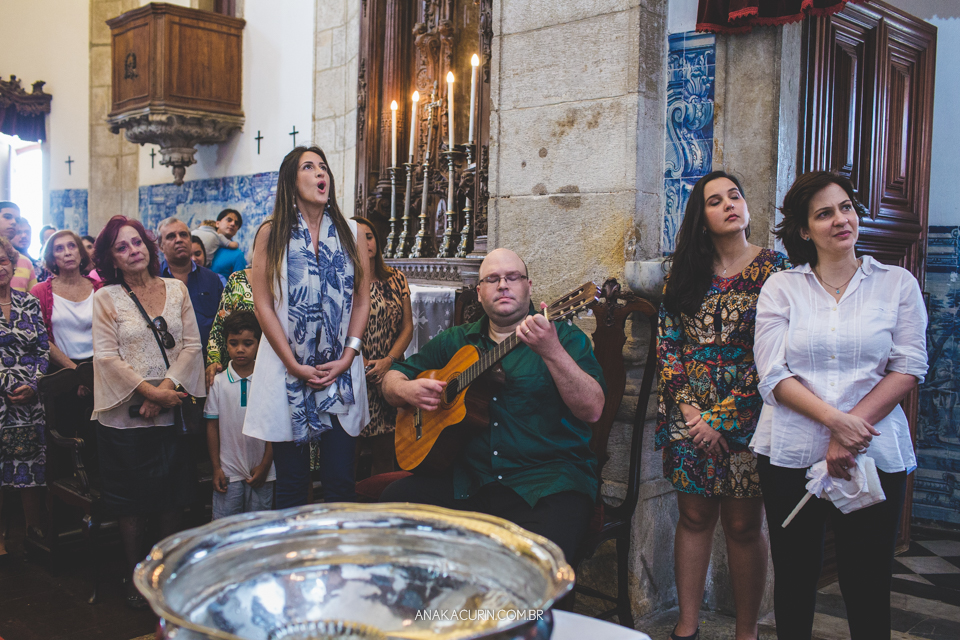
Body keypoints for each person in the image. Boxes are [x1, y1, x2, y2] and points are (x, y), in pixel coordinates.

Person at [752, 171, 928, 640]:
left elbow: (909, 365)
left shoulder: (896, 284)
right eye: (824, 213)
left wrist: (848, 434)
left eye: (846, 207)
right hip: (790, 450)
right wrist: (835, 424)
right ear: (806, 230)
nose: (840, 219)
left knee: (866, 581)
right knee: (794, 578)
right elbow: (772, 373)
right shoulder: (782, 288)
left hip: (875, 451)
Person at [379, 248, 605, 563]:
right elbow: (391, 380)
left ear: (528, 286)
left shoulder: (564, 338)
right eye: (493, 279)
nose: (503, 285)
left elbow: (592, 409)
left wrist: (552, 351)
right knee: (389, 511)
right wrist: (406, 389)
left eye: (513, 277)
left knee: (534, 569)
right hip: (469, 481)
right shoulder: (456, 341)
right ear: (479, 292)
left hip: (545, 485)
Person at [657, 171, 789, 640]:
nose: (730, 204)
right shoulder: (684, 273)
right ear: (702, 217)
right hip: (687, 414)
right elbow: (668, 345)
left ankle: (746, 632)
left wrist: (722, 418)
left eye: (736, 195)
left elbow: (775, 352)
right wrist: (692, 412)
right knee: (693, 516)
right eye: (716, 201)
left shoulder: (777, 269)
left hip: (750, 415)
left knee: (742, 524)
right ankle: (686, 626)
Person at [242, 146, 370, 509]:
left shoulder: (353, 232)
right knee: (293, 482)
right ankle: (295, 561)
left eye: (323, 167)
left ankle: (338, 560)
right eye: (309, 167)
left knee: (341, 479)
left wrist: (349, 356)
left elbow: (362, 300)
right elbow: (263, 304)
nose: (320, 173)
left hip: (340, 369)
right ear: (291, 180)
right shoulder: (271, 233)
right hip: (287, 367)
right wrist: (292, 363)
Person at [91, 215, 205, 608]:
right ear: (112, 259)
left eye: (136, 242)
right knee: (133, 501)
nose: (132, 251)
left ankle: (166, 573)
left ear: (147, 246)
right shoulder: (106, 297)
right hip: (127, 418)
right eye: (122, 247)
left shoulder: (176, 289)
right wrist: (148, 393)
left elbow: (191, 346)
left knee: (173, 494)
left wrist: (166, 390)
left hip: (170, 407)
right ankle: (137, 577)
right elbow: (106, 357)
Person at [0, 235, 50, 564]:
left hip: (28, 401)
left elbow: (43, 349)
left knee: (30, 469)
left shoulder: (28, 302)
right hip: (2, 399)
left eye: (3, 260)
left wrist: (33, 383)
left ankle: (35, 531)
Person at [351, 217, 412, 476]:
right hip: (354, 372)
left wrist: (388, 361)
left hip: (388, 375)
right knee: (348, 459)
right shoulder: (346, 280)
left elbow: (407, 328)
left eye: (370, 236)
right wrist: (362, 364)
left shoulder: (396, 278)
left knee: (385, 459)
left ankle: (379, 511)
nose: (366, 243)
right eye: (358, 237)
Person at [206, 310, 275, 518]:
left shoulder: (268, 380)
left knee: (260, 531)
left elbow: (274, 426)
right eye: (233, 343)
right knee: (226, 531)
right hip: (228, 473)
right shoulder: (218, 382)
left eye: (248, 343)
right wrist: (216, 468)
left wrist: (265, 465)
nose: (240, 349)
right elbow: (211, 426)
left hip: (262, 472)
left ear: (259, 343)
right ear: (226, 344)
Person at [30, 230, 102, 372]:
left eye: (72, 246)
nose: (67, 253)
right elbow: (40, 337)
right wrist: (75, 371)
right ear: (52, 259)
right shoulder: (40, 292)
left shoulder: (100, 289)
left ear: (81, 253)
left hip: (99, 366)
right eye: (59, 249)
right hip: (59, 369)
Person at [156, 217, 225, 352]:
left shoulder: (212, 279)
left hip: (207, 361)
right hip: (167, 362)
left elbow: (222, 323)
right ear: (161, 246)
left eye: (183, 235)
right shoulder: (152, 280)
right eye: (171, 236)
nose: (179, 239)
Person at [205, 246, 255, 390]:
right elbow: (220, 325)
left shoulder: (286, 281)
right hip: (235, 366)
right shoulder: (237, 279)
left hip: (270, 367)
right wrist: (213, 360)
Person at [0, 202, 37, 292]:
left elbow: (32, 302)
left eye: (17, 220)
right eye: (7, 217)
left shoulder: (25, 262)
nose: (13, 222)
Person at [209, 209, 247, 280]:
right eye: (229, 220)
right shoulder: (204, 245)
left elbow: (239, 286)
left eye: (236, 223)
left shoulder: (237, 255)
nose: (233, 224)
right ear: (217, 223)